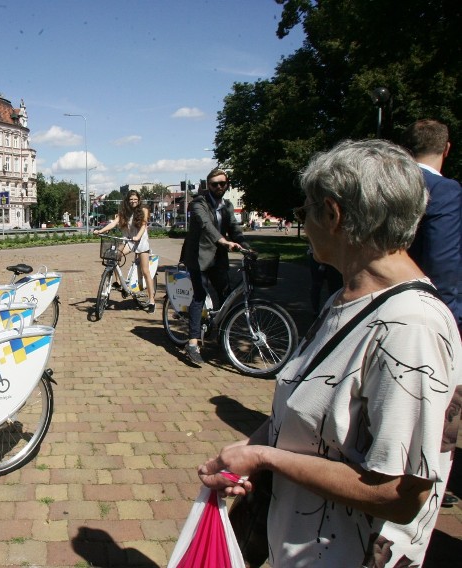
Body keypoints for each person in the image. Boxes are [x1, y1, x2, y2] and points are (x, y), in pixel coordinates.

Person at [198, 139, 462, 567]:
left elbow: (398, 493)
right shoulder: (348, 297)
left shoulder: (411, 327)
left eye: (304, 213)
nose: (303, 225)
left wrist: (266, 457)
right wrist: (254, 446)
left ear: (333, 214)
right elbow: (312, 405)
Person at [401, 119, 462, 507]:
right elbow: (445, 264)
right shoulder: (445, 190)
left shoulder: (394, 186)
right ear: (447, 149)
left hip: (386, 304)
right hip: (431, 310)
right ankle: (430, 474)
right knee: (440, 402)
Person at [179, 168, 246, 364]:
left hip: (218, 258)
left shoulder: (227, 205)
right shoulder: (199, 203)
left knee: (225, 294)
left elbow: (234, 227)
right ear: (208, 185)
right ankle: (192, 344)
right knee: (199, 295)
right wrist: (223, 241)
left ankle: (221, 336)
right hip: (198, 257)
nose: (218, 187)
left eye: (222, 184)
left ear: (227, 185)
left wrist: (246, 245)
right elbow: (206, 225)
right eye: (214, 184)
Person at [93, 189, 156, 312]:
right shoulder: (124, 212)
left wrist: (138, 237)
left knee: (145, 271)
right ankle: (119, 283)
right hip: (129, 240)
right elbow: (114, 223)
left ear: (138, 200)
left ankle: (152, 300)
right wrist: (101, 231)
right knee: (115, 254)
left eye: (135, 199)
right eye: (131, 199)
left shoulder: (143, 209)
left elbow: (143, 225)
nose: (133, 201)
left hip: (140, 242)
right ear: (127, 200)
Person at [307, 245, 343, 318]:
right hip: (329, 255)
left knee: (319, 284)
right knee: (331, 285)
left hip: (318, 254)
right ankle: (327, 311)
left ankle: (317, 311)